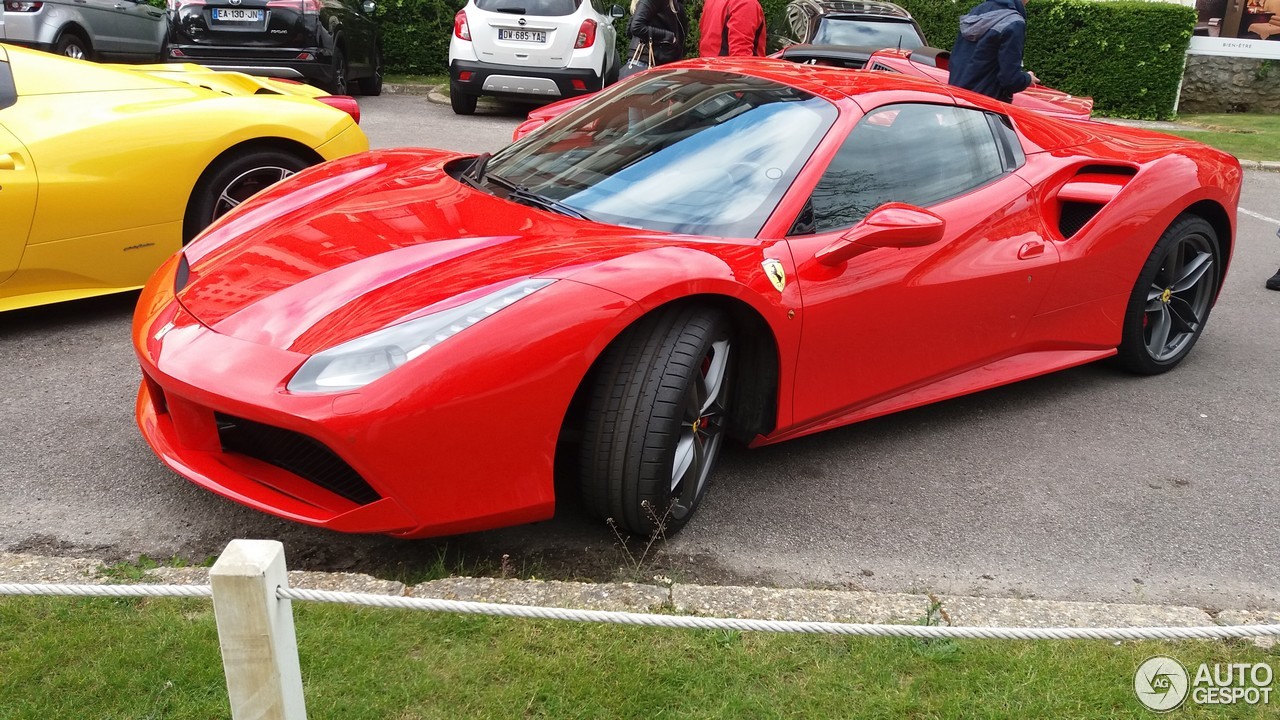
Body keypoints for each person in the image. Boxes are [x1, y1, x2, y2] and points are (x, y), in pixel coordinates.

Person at [948, 0, 1039, 104]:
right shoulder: (1014, 23)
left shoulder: (977, 11)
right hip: (984, 107)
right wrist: (1027, 78)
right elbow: (1011, 80)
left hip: (956, 100)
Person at [697, 0, 766, 58]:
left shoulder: (712, 2)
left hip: (707, 69)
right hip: (729, 71)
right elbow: (741, 56)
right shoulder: (746, 3)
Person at [628, 0, 687, 66]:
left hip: (657, 60)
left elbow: (629, 30)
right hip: (647, 61)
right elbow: (636, 27)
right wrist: (668, 37)